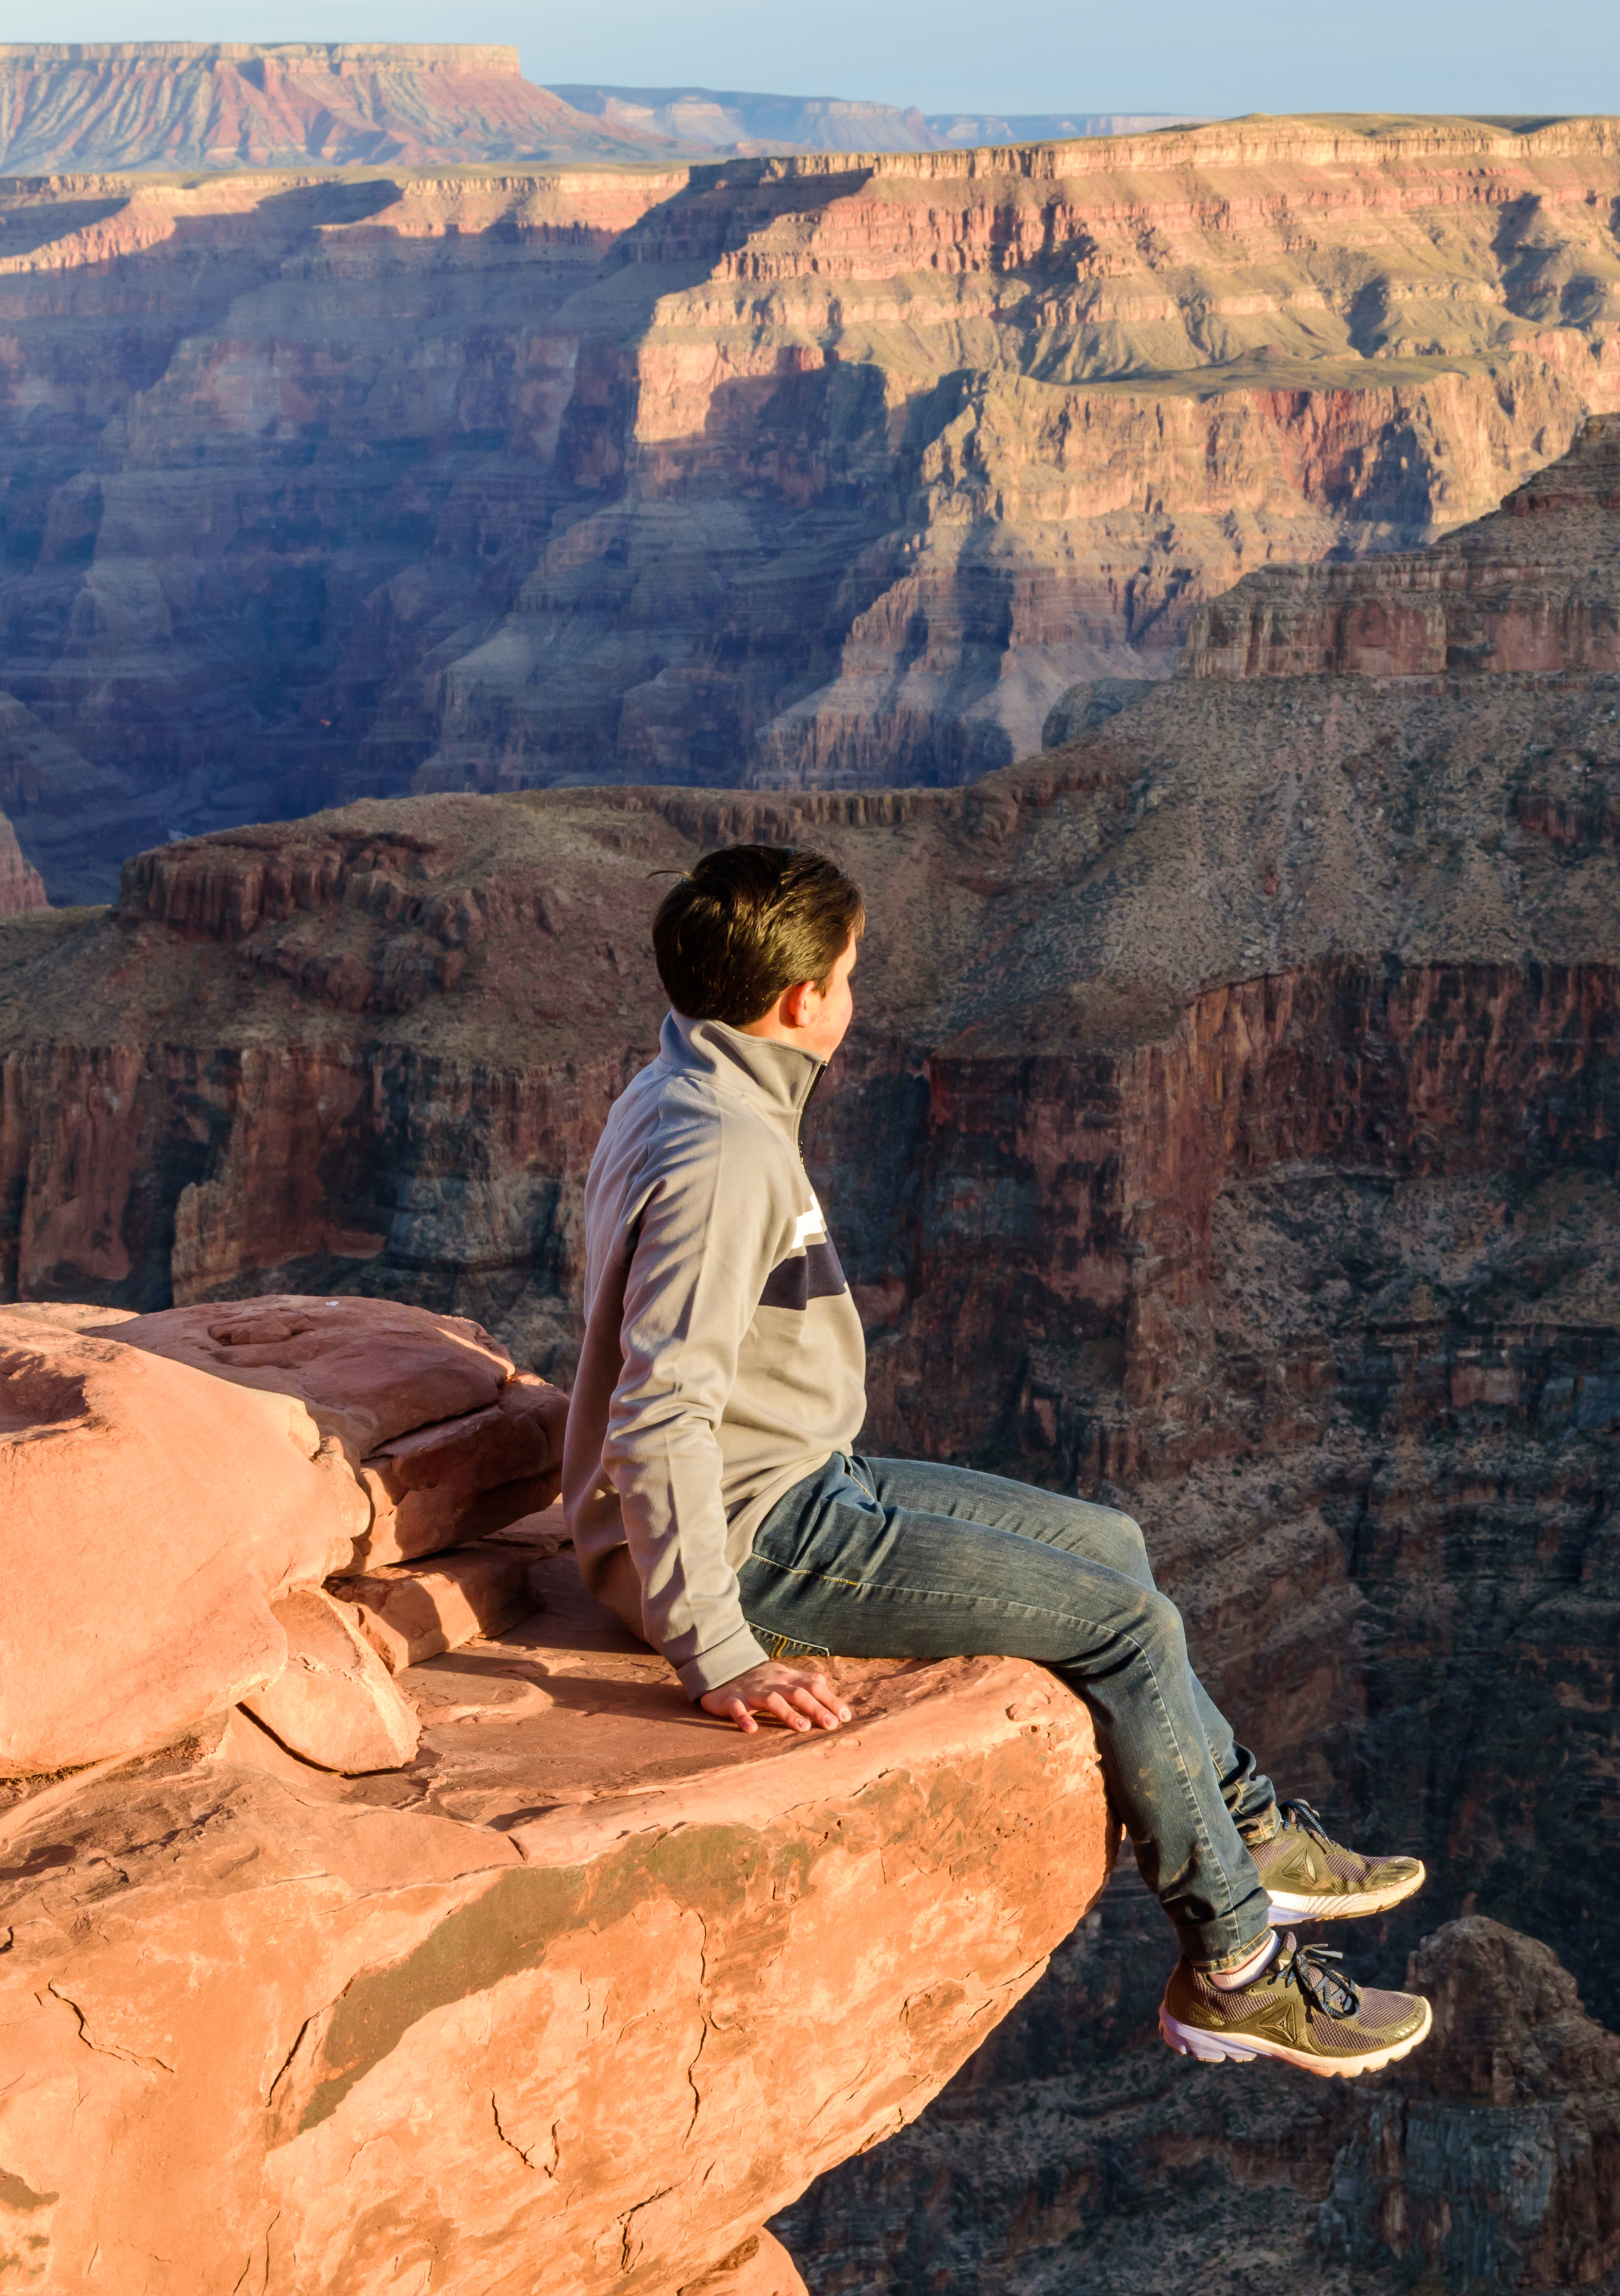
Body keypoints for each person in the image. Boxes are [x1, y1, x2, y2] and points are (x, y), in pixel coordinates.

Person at [558, 843, 1436, 2078]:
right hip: (768, 1539)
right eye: (851, 974)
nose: (857, 996)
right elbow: (661, 1411)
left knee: (1115, 1546)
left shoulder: (682, 1086)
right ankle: (1237, 1966)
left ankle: (1250, 1827)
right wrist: (714, 1646)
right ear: (802, 1000)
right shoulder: (725, 1153)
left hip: (810, 1478)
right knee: (1125, 1624)